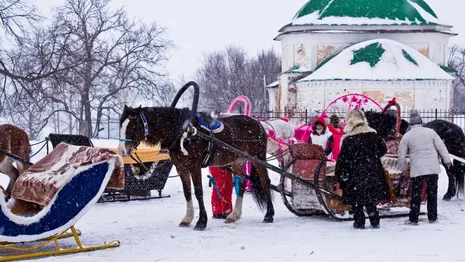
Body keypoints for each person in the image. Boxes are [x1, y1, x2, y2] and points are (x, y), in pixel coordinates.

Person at [335, 109, 389, 229]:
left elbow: (342, 159)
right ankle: (375, 220)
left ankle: (359, 222)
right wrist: (371, 159)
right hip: (372, 172)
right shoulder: (373, 134)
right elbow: (383, 150)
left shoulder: (348, 138)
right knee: (371, 199)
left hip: (355, 173)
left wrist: (340, 175)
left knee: (357, 200)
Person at [398, 109, 452, 225]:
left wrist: (403, 169)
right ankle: (432, 217)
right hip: (432, 168)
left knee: (416, 194)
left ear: (410, 123)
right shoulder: (431, 132)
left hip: (417, 169)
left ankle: (413, 218)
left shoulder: (407, 136)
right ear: (421, 121)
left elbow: (401, 155)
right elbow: (442, 148)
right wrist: (447, 161)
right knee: (432, 193)